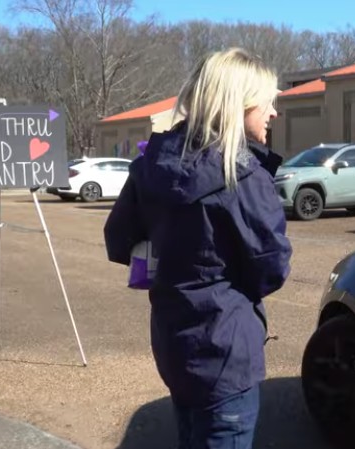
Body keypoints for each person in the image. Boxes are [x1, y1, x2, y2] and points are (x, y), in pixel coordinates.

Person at [103, 48, 292, 449]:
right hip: (225, 355)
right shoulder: (242, 175)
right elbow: (272, 267)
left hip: (174, 344)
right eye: (267, 102)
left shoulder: (152, 163)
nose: (273, 112)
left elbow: (119, 240)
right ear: (239, 104)